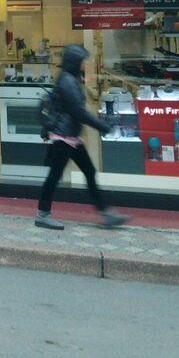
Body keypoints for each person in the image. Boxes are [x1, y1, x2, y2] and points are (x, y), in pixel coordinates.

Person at [35, 44, 129, 230]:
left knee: (88, 171)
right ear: (74, 62)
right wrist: (102, 126)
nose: (83, 64)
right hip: (64, 136)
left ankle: (105, 212)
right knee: (55, 176)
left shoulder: (68, 78)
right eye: (81, 61)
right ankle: (43, 214)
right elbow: (79, 112)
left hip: (70, 135)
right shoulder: (68, 81)